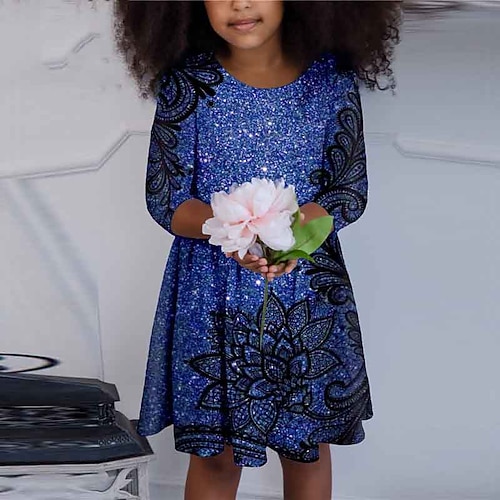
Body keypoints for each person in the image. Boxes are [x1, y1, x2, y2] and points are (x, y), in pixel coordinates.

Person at [113, 1, 401, 499]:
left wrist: (297, 233)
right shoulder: (189, 85)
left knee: (305, 447)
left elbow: (348, 188)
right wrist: (232, 230)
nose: (239, 4)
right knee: (217, 456)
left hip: (306, 294)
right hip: (211, 296)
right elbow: (167, 199)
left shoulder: (330, 83)